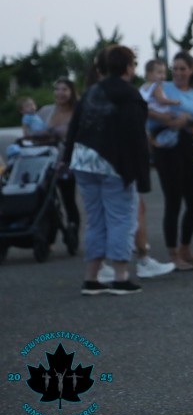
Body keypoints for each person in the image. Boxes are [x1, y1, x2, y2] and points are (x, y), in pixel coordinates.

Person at [64, 45, 150, 295]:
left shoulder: (92, 91)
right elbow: (136, 138)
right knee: (121, 218)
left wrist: (66, 158)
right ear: (128, 67)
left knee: (95, 220)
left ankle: (92, 277)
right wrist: (142, 176)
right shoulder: (130, 95)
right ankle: (120, 276)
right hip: (113, 164)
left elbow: (74, 127)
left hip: (83, 160)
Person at [151, 51, 193, 271]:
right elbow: (147, 108)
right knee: (173, 201)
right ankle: (173, 254)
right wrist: (167, 119)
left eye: (182, 69)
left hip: (188, 145)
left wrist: (187, 120)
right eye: (175, 68)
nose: (178, 73)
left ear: (191, 70)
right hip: (166, 147)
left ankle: (186, 248)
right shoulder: (162, 88)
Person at [32, 78, 82, 234]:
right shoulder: (45, 111)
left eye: (64, 89)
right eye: (57, 89)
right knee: (46, 200)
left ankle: (73, 230)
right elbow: (32, 132)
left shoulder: (77, 112)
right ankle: (48, 235)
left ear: (71, 92)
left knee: (68, 198)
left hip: (66, 162)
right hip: (45, 161)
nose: (60, 93)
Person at [140, 59, 182, 148]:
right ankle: (162, 141)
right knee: (179, 119)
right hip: (160, 117)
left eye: (164, 73)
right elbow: (161, 100)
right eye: (159, 73)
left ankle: (152, 141)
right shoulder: (156, 86)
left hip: (147, 120)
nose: (163, 76)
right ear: (149, 74)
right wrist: (174, 102)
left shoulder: (143, 87)